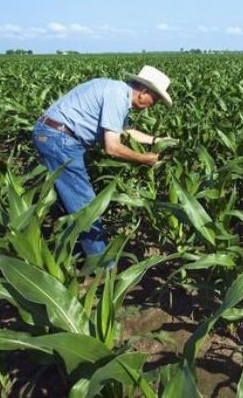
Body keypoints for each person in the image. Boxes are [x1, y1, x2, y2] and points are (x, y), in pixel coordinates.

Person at [32, 65, 173, 259]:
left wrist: (157, 141)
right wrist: (145, 159)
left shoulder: (116, 90)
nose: (153, 105)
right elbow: (112, 148)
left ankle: (75, 249)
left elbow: (125, 132)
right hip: (59, 139)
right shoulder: (117, 96)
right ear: (144, 92)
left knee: (70, 198)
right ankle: (101, 268)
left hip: (52, 134)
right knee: (88, 207)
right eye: (155, 100)